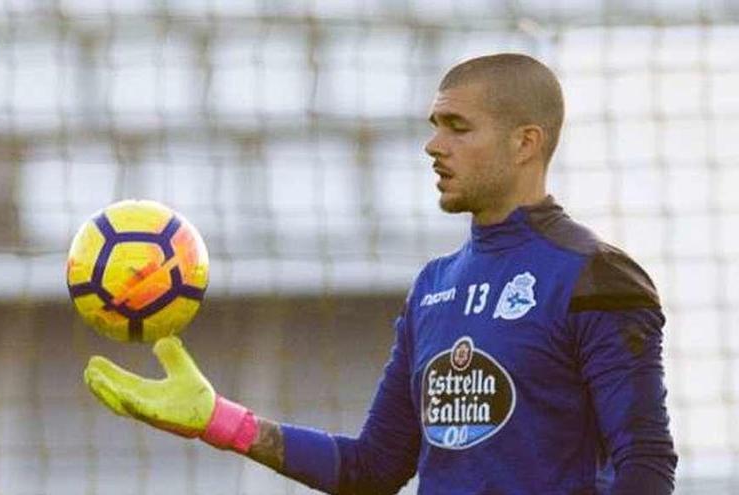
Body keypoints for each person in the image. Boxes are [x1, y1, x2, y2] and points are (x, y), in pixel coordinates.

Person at [83, 53, 677, 494]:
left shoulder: (594, 277)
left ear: (526, 143)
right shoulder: (433, 289)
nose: (432, 145)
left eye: (457, 126)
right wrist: (224, 423)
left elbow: (645, 463)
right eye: (434, 123)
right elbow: (375, 467)